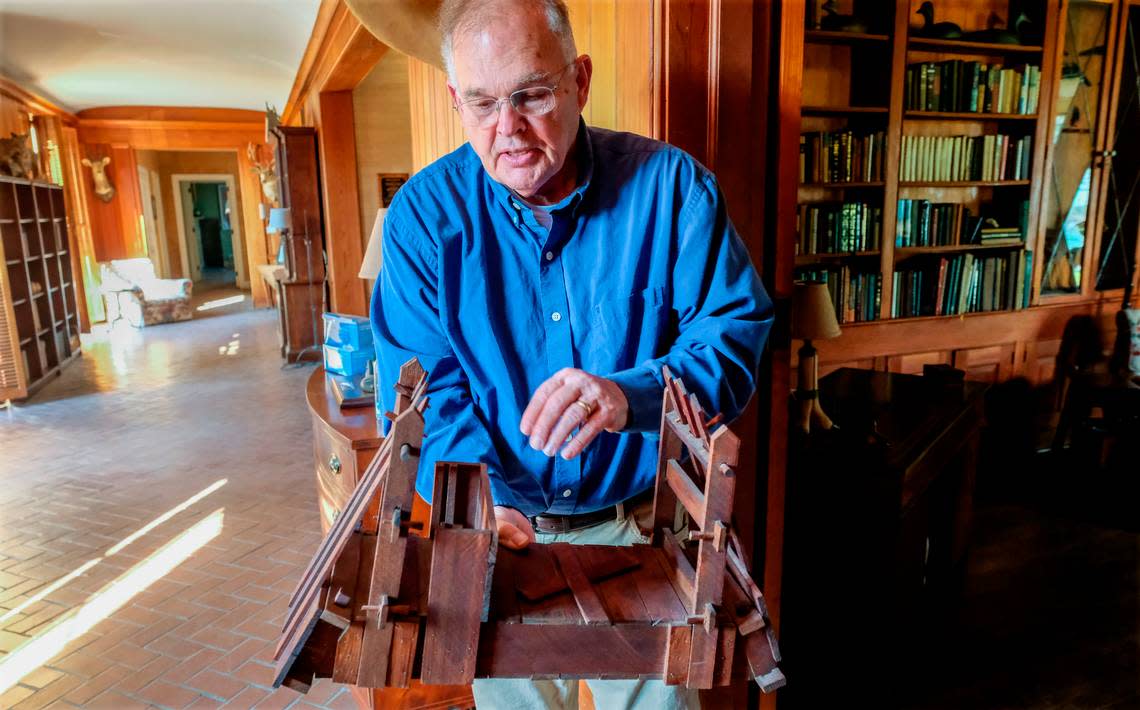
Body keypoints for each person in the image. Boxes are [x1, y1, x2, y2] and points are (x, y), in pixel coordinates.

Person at [370, 0, 774, 706]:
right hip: (500, 537)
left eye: (531, 94)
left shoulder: (672, 190)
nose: (509, 129)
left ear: (579, 81)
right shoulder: (421, 220)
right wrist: (475, 503)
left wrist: (632, 394)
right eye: (483, 102)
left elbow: (733, 334)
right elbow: (424, 390)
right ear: (454, 101)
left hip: (642, 532)